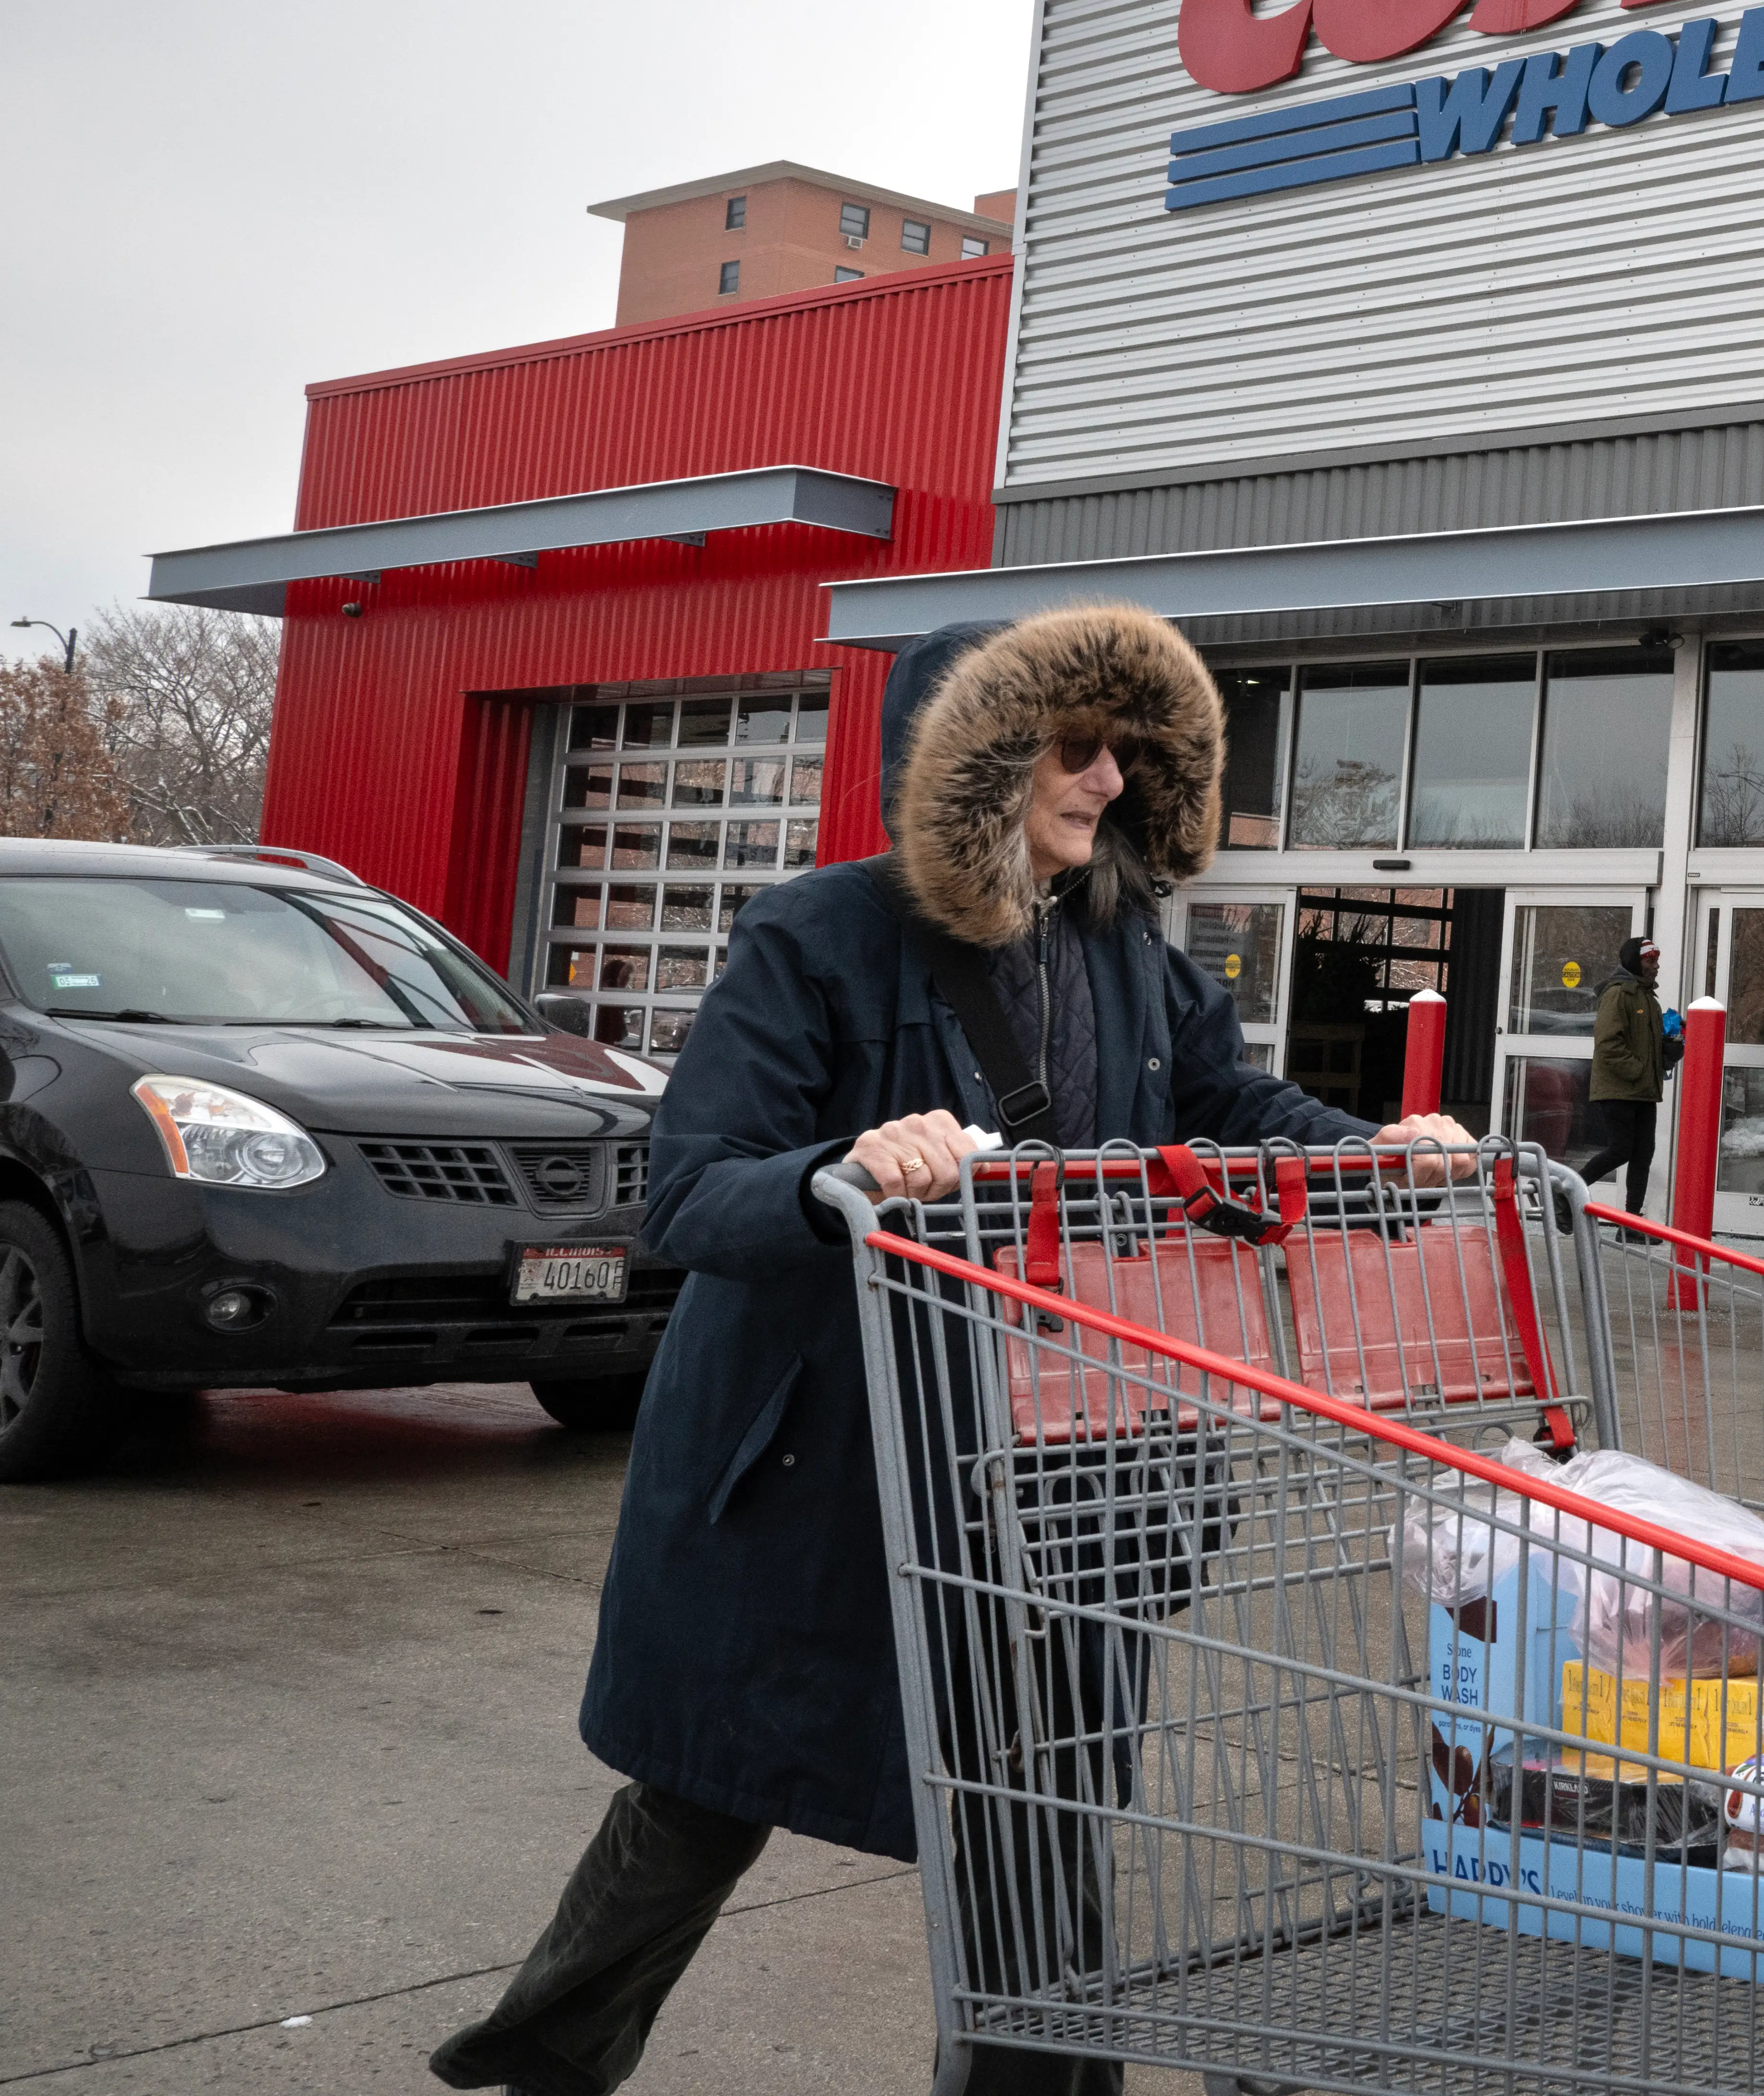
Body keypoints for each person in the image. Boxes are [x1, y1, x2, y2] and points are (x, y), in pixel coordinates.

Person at [433, 607, 1463, 2096]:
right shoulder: (819, 936)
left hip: (1064, 1464)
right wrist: (842, 1165)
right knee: (716, 1783)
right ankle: (546, 2050)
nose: (1107, 778)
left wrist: (1379, 1150)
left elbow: (1231, 1105)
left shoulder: (1128, 953)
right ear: (971, 756)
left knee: (1035, 1813)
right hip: (829, 1457)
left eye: (1122, 748)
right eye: (1073, 743)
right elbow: (688, 1186)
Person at [1583, 935, 1665, 1214]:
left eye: (1656, 960)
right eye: (1649, 960)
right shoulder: (1618, 993)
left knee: (1643, 1156)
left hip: (1643, 1091)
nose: (1655, 966)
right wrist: (1639, 1070)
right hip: (1619, 1089)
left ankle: (1632, 1223)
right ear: (1634, 961)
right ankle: (1564, 1194)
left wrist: (1672, 1047)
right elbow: (1607, 1044)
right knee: (1620, 1151)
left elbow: (1648, 1047)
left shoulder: (1648, 998)